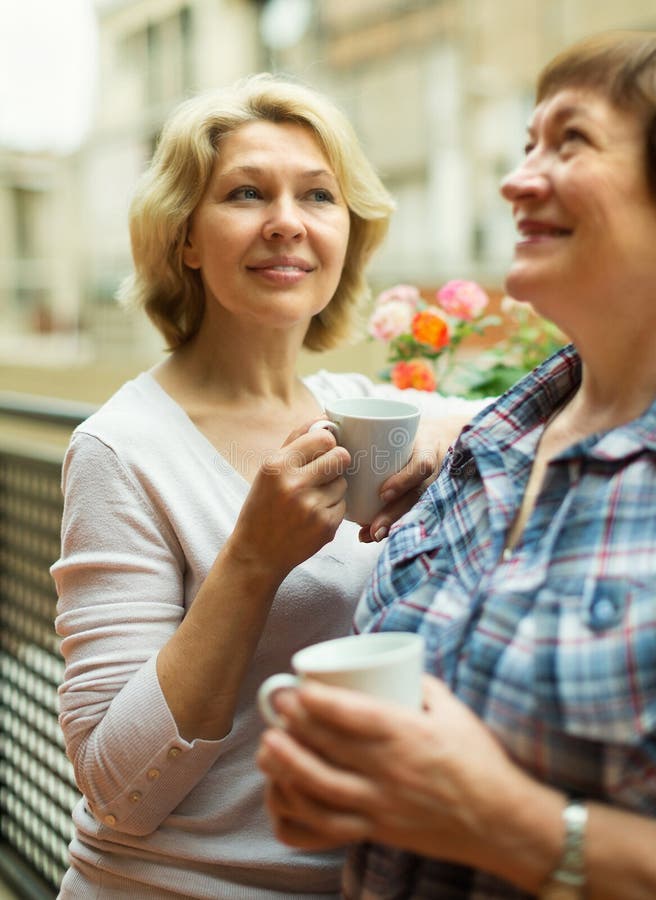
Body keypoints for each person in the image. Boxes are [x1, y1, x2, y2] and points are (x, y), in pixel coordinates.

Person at [257, 30, 656, 900]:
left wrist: (512, 830)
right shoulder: (484, 447)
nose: (515, 178)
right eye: (527, 143)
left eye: (570, 141)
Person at [51, 74, 486, 899]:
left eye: (317, 195)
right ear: (184, 237)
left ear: (346, 234)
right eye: (247, 193)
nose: (286, 221)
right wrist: (253, 559)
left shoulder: (370, 416)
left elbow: (565, 400)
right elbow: (114, 788)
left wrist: (445, 429)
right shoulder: (122, 446)